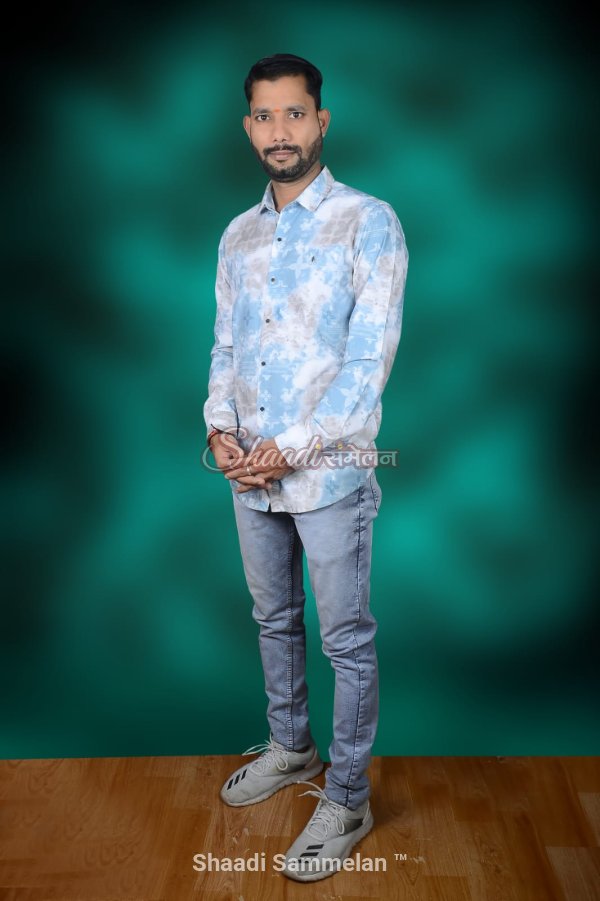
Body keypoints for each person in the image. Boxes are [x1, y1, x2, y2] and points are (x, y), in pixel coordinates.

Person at [203, 53, 408, 882]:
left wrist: (290, 447)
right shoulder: (238, 234)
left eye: (294, 113)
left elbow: (367, 365)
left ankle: (349, 796)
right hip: (248, 476)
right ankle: (291, 746)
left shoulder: (369, 221)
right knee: (273, 619)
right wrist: (220, 428)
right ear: (248, 127)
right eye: (265, 115)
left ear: (321, 121)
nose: (279, 130)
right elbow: (226, 346)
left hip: (328, 473)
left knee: (345, 640)